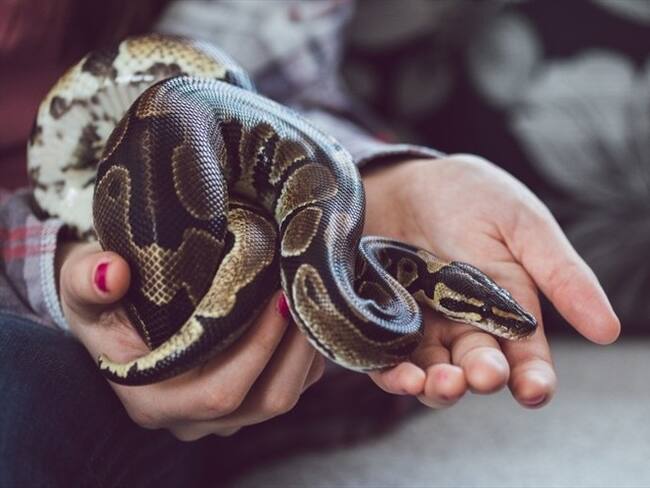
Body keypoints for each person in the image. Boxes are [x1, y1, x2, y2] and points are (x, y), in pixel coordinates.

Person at [0, 0, 620, 486]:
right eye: (487, 307)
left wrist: (386, 178)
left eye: (487, 309)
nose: (496, 316)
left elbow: (252, 102)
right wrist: (47, 267)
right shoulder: (378, 292)